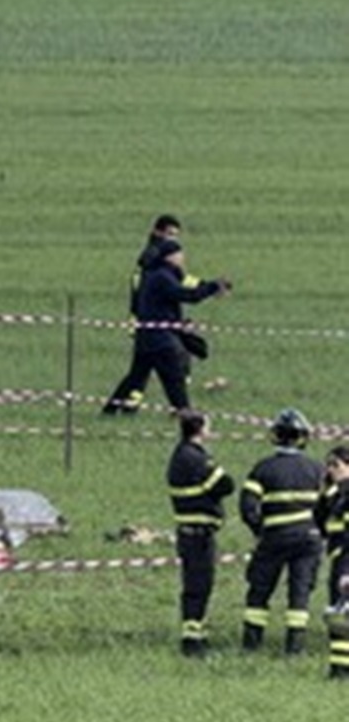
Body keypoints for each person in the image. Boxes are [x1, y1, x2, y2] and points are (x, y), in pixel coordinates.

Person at [239, 408, 325, 655]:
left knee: (260, 590)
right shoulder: (316, 469)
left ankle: (251, 645)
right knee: (300, 593)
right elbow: (330, 504)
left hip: (274, 538)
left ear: (276, 435)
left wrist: (260, 529)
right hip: (308, 541)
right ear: (302, 437)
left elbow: (247, 506)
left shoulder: (263, 469)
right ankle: (294, 647)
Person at [120, 239, 231, 413]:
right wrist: (213, 287)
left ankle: (111, 411)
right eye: (179, 253)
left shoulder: (161, 274)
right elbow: (186, 295)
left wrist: (211, 287)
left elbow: (189, 288)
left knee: (136, 377)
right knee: (173, 378)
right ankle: (185, 414)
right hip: (159, 338)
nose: (182, 257)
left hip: (147, 336)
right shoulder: (162, 277)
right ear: (169, 257)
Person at [167, 409, 235, 656]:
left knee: (197, 585)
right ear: (200, 430)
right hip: (198, 534)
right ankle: (192, 642)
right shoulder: (195, 458)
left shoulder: (181, 455)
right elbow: (226, 484)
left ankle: (197, 633)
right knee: (199, 585)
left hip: (190, 532)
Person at [103, 215, 185, 415]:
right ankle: (182, 411)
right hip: (151, 322)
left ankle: (116, 407)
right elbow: (173, 288)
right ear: (157, 231)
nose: (172, 240)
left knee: (139, 371)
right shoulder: (154, 257)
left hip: (152, 322)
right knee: (167, 370)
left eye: (175, 236)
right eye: (169, 234)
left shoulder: (159, 254)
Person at [316, 444, 349, 678]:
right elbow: (319, 519)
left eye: (336, 465)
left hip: (346, 561)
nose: (330, 470)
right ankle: (339, 668)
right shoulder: (336, 494)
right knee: (339, 616)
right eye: (328, 465)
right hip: (338, 559)